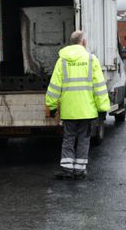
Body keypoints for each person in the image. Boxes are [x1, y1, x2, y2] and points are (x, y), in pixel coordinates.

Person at [45, 30, 111, 179]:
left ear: (71, 42)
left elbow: (54, 86)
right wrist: (102, 108)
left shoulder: (62, 61)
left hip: (69, 111)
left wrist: (52, 106)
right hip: (87, 111)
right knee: (83, 140)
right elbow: (99, 87)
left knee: (68, 139)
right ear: (84, 42)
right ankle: (80, 171)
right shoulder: (91, 59)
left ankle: (67, 171)